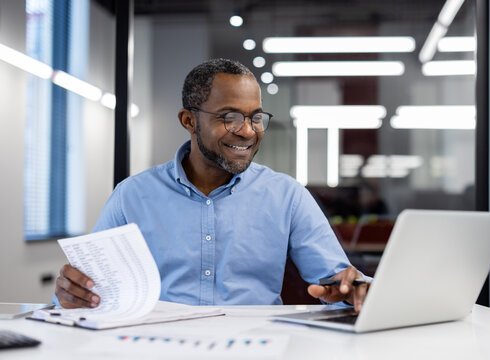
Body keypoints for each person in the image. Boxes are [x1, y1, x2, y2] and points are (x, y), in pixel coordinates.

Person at [54, 58, 369, 312]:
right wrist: (73, 293)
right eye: (229, 117)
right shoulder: (132, 196)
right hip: (158, 347)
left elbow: (338, 279)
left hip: (257, 347)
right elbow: (85, 290)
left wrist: (352, 289)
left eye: (255, 117)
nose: (247, 131)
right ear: (189, 121)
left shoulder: (287, 196)